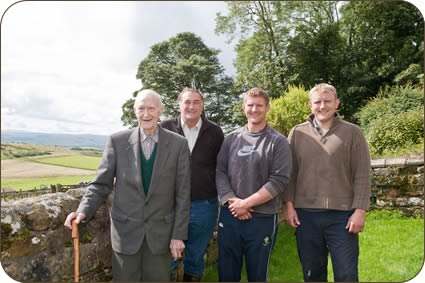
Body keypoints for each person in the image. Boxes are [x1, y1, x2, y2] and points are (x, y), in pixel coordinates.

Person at [64, 89, 191, 282]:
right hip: (125, 234)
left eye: (151, 108)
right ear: (134, 110)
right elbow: (100, 184)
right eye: (141, 108)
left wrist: (178, 235)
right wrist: (82, 210)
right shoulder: (117, 141)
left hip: (161, 236)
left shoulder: (178, 144)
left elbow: (182, 193)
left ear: (160, 110)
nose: (146, 114)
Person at [283, 83, 371, 282]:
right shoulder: (297, 133)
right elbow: (289, 174)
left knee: (347, 274)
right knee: (312, 274)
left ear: (337, 103)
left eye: (327, 101)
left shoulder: (353, 132)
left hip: (342, 217)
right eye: (317, 102)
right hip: (306, 217)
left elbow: (362, 174)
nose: (322, 106)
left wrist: (360, 210)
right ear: (310, 105)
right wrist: (288, 205)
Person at [216, 87, 292, 282]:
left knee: (257, 275)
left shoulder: (278, 141)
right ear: (244, 108)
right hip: (230, 215)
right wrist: (234, 203)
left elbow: (279, 180)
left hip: (262, 218)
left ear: (267, 108)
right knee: (226, 274)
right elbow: (220, 171)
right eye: (250, 105)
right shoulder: (231, 139)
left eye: (259, 105)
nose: (254, 109)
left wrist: (246, 204)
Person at [161, 87, 224, 282]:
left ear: (202, 106)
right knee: (167, 257)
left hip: (204, 205)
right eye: (187, 102)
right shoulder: (164, 128)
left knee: (195, 257)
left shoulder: (215, 131)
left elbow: (222, 167)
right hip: (170, 205)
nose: (191, 106)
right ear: (179, 105)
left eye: (196, 102)